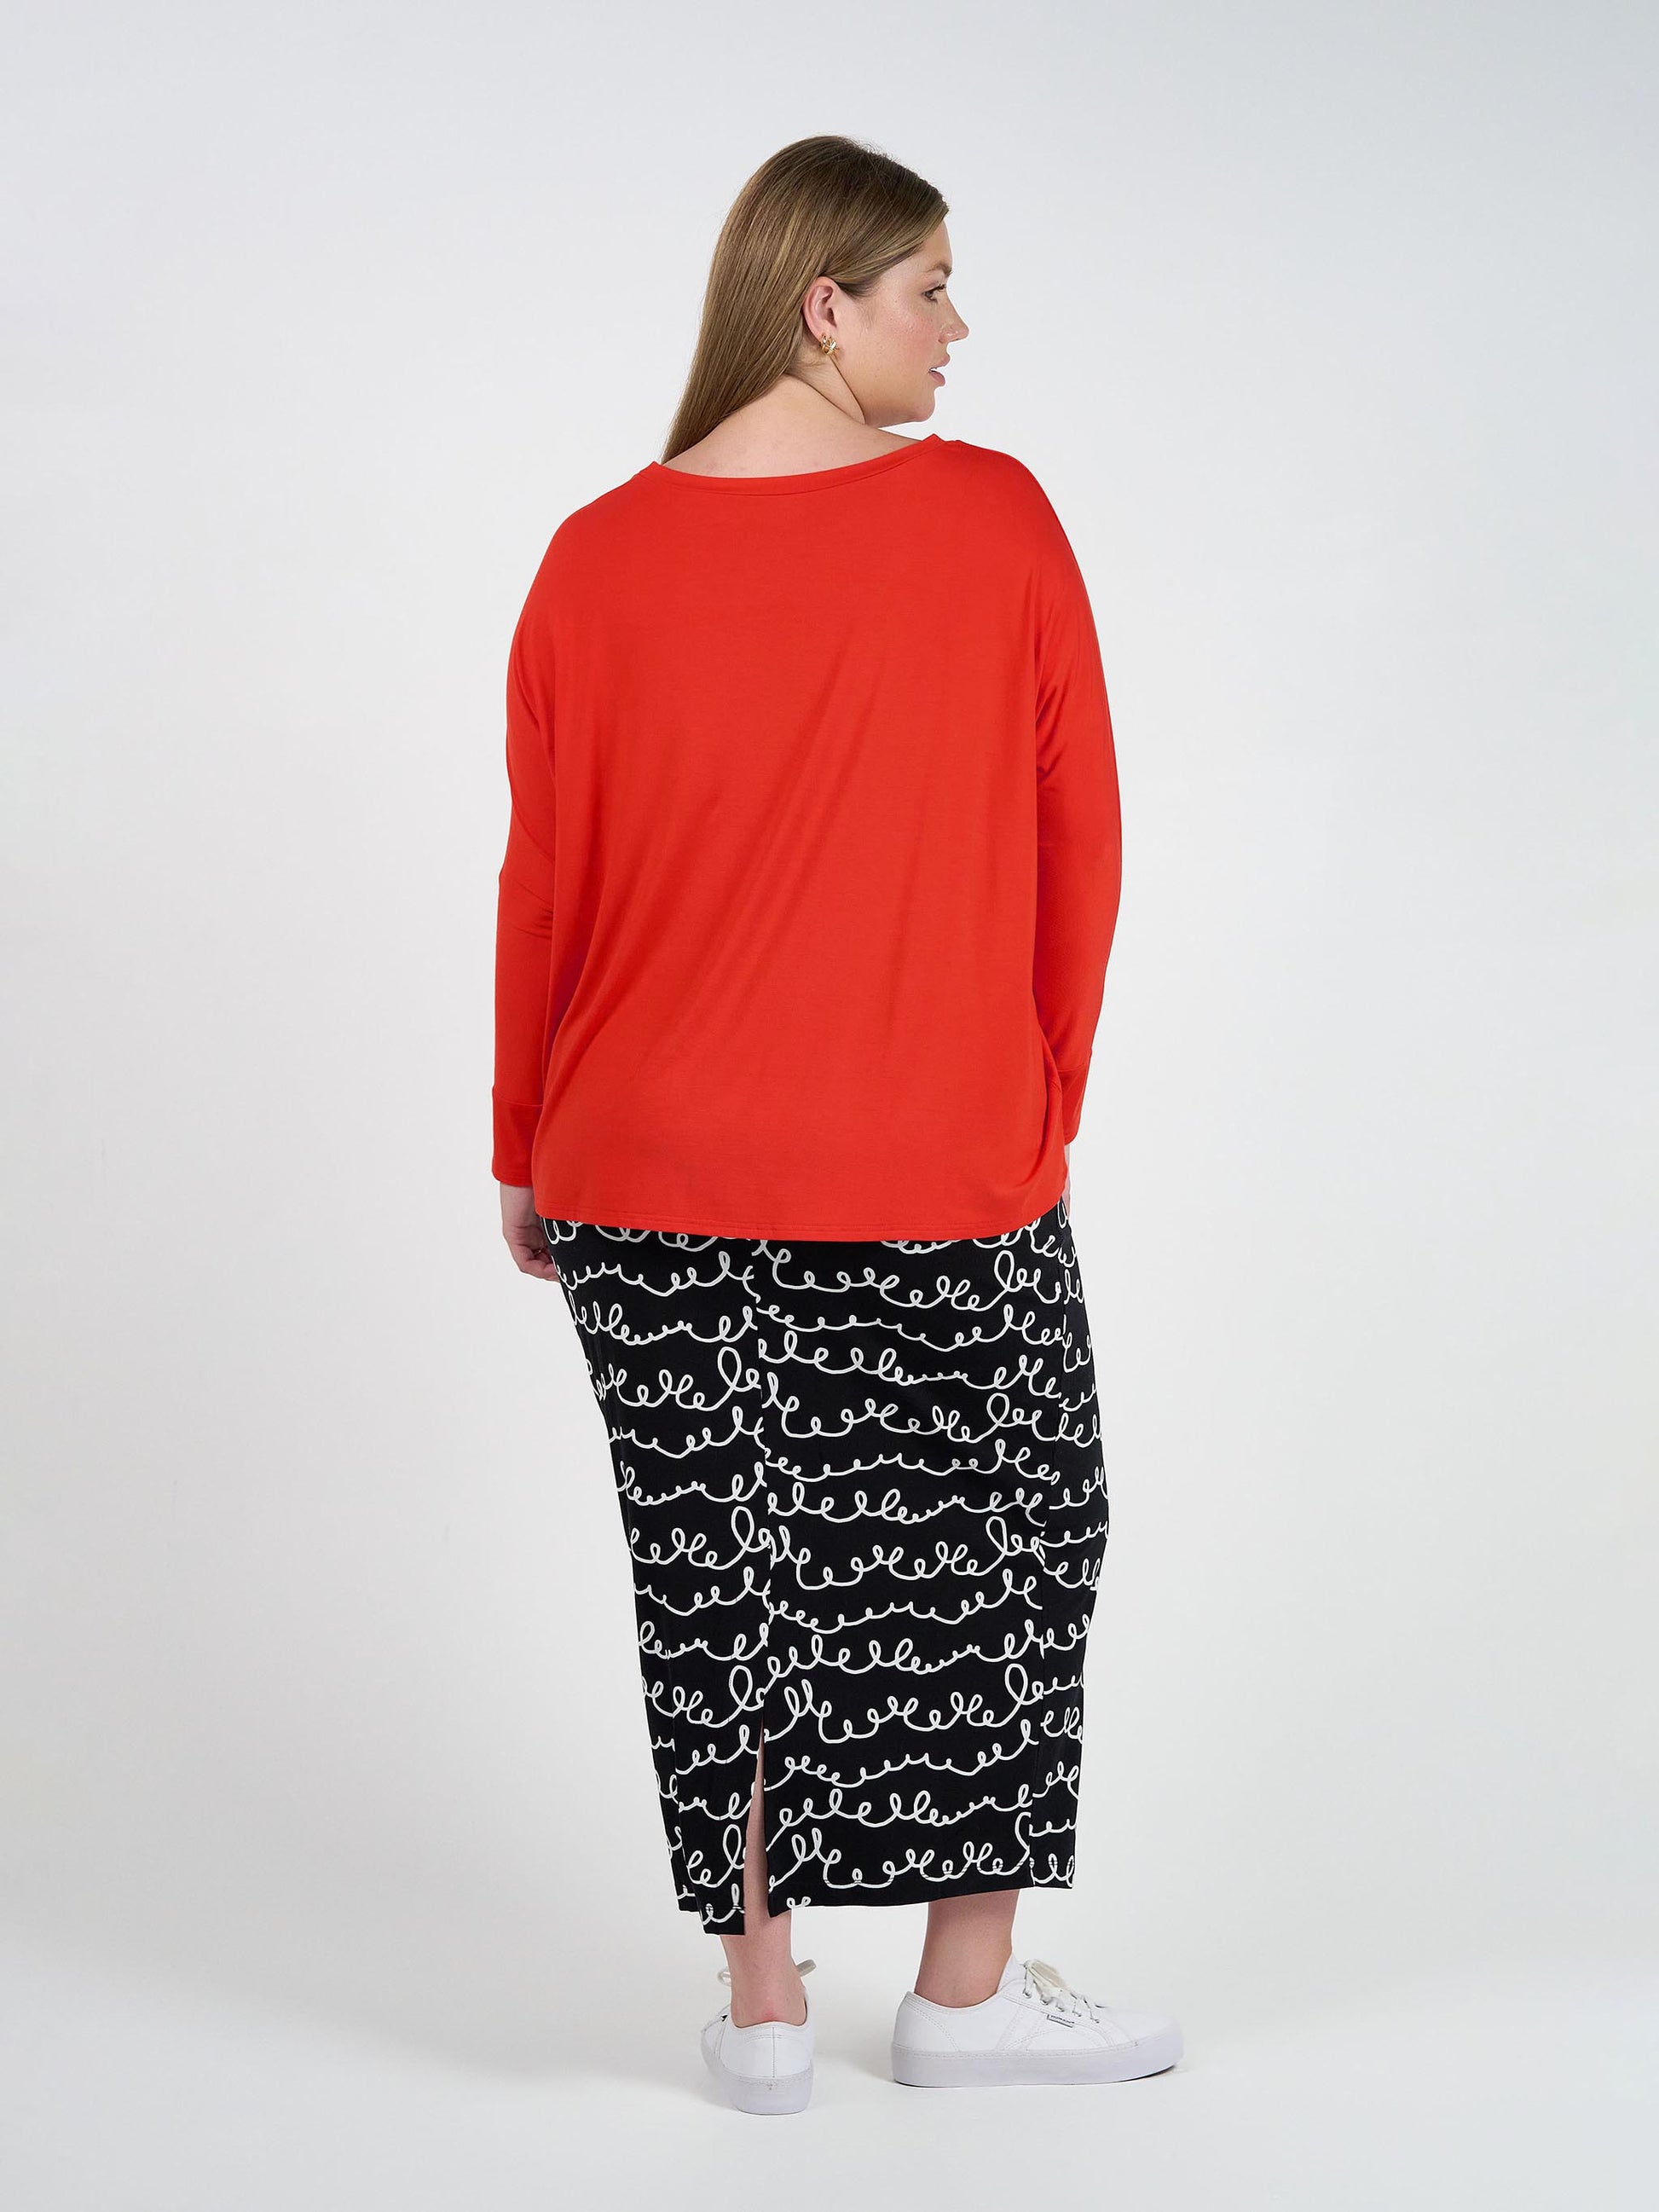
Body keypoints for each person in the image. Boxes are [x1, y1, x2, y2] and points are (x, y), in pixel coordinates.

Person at [491, 133, 1182, 2111]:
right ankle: (963, 1999)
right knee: (1009, 1533)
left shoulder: (592, 555)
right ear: (823, 304)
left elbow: (549, 882)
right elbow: (1080, 846)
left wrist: (526, 1143)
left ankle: (767, 2016)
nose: (957, 327)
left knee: (719, 1571)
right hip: (932, 1152)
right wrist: (1037, 1099)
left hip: (639, 1164)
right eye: (928, 286)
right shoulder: (992, 520)